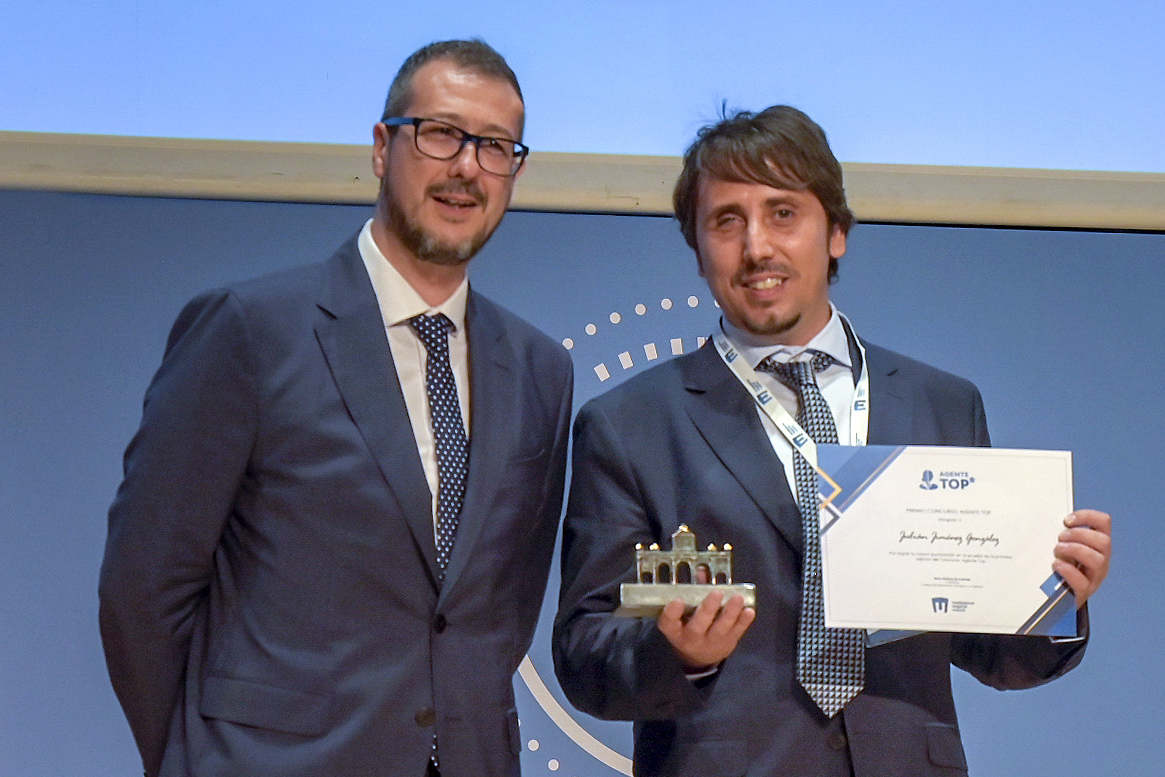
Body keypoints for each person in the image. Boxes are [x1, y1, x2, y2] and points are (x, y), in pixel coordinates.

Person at [552, 105, 1111, 776]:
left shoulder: (941, 404)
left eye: (783, 213)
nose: (757, 246)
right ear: (697, 251)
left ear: (836, 231)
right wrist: (679, 654)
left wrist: (1056, 595)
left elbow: (991, 652)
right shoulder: (629, 423)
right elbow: (585, 654)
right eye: (726, 221)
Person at [99, 39, 572, 777]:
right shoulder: (250, 330)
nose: (466, 167)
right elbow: (143, 588)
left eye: (494, 146)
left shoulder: (541, 369)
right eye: (440, 134)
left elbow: (500, 611)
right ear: (382, 147)